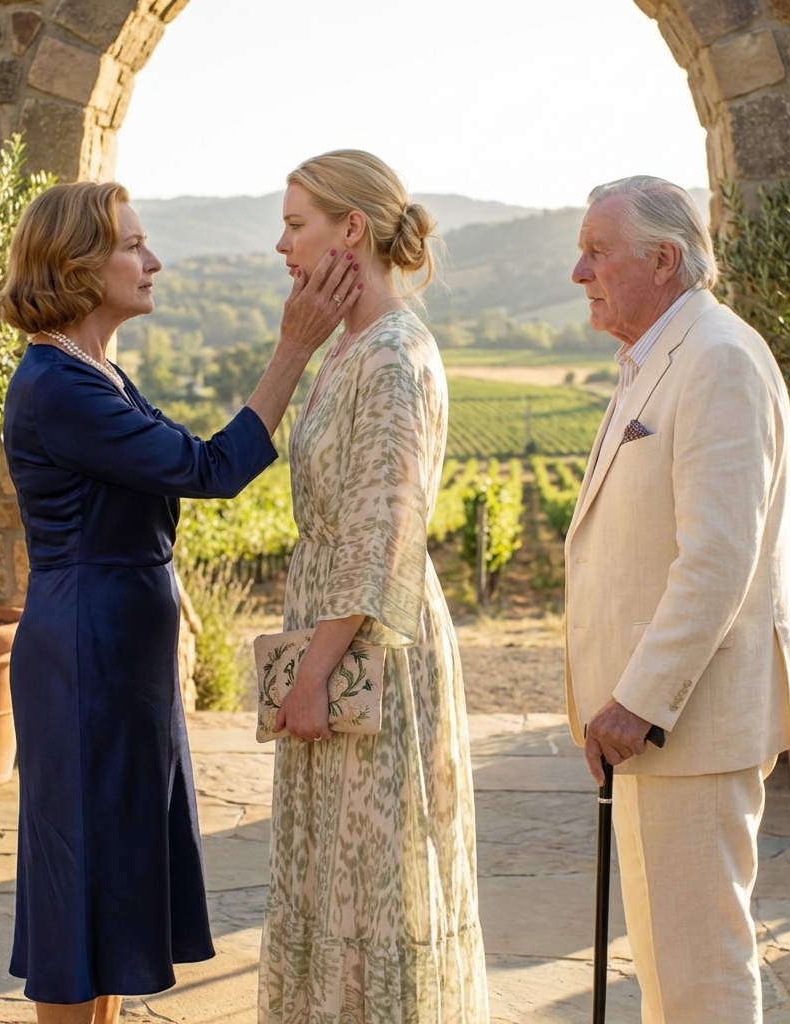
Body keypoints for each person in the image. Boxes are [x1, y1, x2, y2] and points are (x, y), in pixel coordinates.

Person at [0, 180, 361, 1024]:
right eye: (132, 244)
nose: (152, 259)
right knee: (83, 875)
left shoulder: (96, 371)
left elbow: (189, 460)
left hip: (119, 652)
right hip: (86, 654)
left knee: (117, 874)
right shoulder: (58, 385)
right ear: (77, 265)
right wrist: (293, 348)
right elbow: (209, 471)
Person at [565, 176, 790, 1023]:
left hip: (687, 724)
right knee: (672, 973)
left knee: (700, 974)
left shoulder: (715, 358)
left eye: (597, 252)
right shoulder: (659, 355)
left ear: (664, 259)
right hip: (657, 733)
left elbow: (717, 557)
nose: (579, 272)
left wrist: (637, 701)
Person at [258, 150, 490, 1023]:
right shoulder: (346, 344)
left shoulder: (394, 354)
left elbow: (385, 533)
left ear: (351, 229)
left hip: (365, 649)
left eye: (295, 224)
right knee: (334, 878)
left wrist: (315, 673)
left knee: (374, 882)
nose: (281, 245)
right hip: (335, 630)